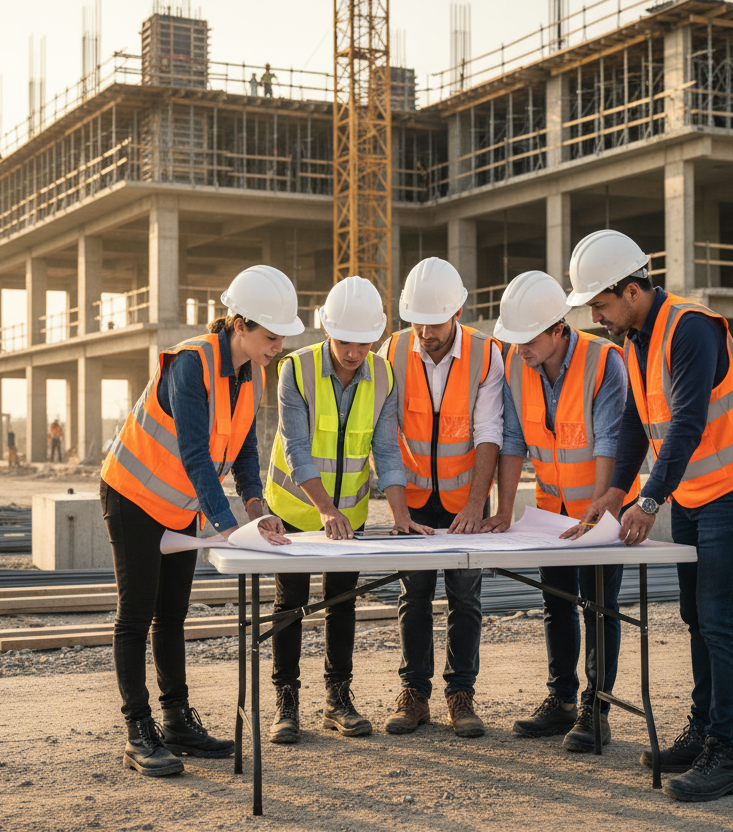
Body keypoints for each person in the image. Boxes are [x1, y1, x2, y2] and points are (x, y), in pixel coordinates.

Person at [575, 230, 733, 803]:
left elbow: (688, 422)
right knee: (696, 614)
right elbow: (637, 426)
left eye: (600, 303)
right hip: (695, 491)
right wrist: (613, 493)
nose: (595, 315)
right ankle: (702, 731)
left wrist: (647, 502)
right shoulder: (635, 339)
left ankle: (726, 754)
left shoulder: (690, 328)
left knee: (719, 615)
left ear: (634, 289)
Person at [99, 265, 304, 777]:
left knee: (171, 615)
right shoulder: (192, 365)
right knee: (136, 615)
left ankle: (176, 723)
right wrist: (227, 524)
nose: (277, 347)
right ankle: (138, 731)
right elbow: (194, 452)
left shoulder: (250, 372)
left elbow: (245, 454)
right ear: (240, 324)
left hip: (176, 506)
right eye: (271, 337)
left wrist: (257, 507)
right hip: (132, 496)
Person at [264, 276, 434, 745]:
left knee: (341, 605)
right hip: (297, 511)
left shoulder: (383, 375)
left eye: (365, 342)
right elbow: (297, 448)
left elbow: (387, 451)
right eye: (345, 341)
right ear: (326, 330)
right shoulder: (294, 370)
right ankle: (287, 702)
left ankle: (338, 700)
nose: (355, 352)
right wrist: (323, 508)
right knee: (289, 607)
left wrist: (400, 516)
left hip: (351, 514)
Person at [490, 271, 640, 752]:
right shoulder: (518, 364)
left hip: (604, 510)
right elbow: (513, 440)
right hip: (552, 511)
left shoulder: (604, 363)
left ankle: (597, 710)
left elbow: (610, 442)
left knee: (599, 608)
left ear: (558, 329)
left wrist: (599, 511)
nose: (519, 347)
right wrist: (504, 510)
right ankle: (561, 701)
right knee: (556, 604)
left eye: (527, 337)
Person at [378, 256, 522, 739]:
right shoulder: (393, 352)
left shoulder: (487, 354)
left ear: (456, 314)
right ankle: (414, 694)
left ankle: (461, 695)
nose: (424, 332)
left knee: (465, 597)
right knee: (413, 595)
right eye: (416, 322)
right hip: (414, 498)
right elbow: (385, 434)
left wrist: (476, 504)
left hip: (466, 498)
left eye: (434, 323)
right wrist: (398, 507)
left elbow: (489, 433)